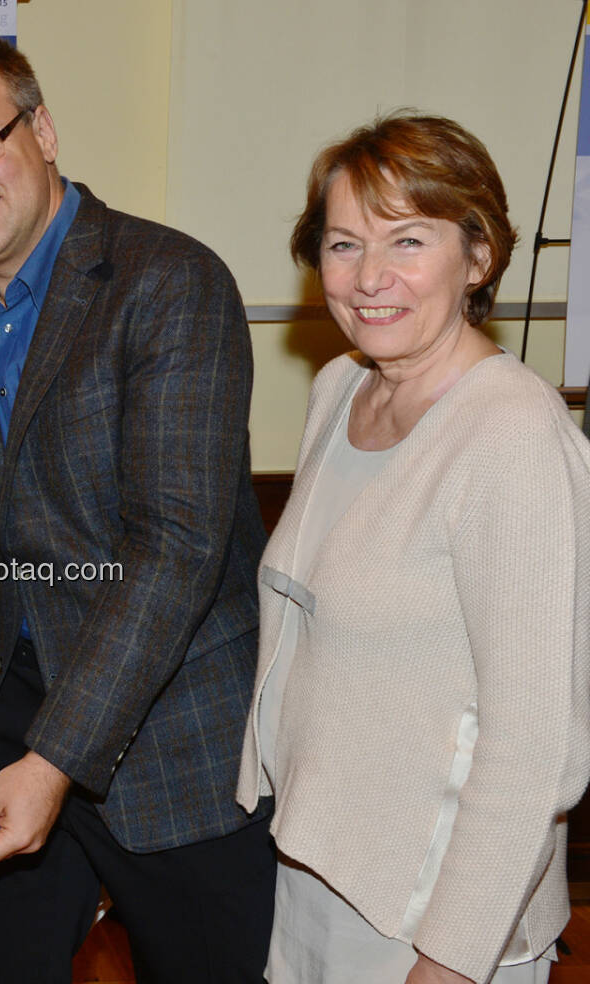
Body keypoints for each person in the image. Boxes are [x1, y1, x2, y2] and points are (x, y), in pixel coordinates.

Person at [0, 28, 275, 984]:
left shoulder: (171, 282)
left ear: (44, 131)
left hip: (175, 738)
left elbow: (178, 546)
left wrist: (54, 761)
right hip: (8, 719)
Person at [236, 113, 590, 984]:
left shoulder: (511, 436)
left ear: (478, 258)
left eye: (408, 240)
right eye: (344, 243)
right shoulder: (340, 387)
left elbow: (537, 748)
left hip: (434, 910)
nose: (369, 277)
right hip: (317, 868)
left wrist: (452, 959)